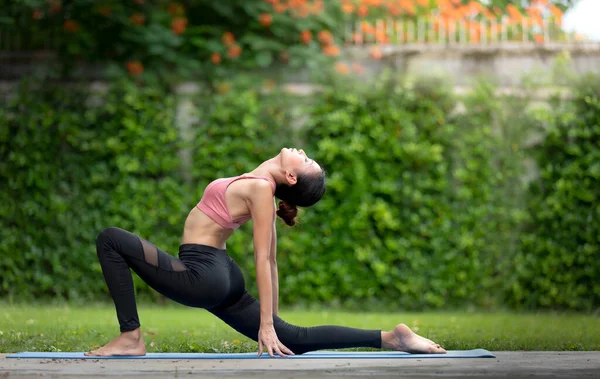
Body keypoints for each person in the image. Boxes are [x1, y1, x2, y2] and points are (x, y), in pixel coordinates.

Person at [86, 147, 446, 357]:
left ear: (291, 177)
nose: (302, 153)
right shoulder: (262, 188)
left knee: (111, 238)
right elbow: (270, 261)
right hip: (220, 273)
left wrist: (265, 323)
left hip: (204, 274)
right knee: (293, 338)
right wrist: (272, 324)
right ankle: (389, 338)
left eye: (306, 161)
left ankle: (131, 337)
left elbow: (264, 258)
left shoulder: (260, 188)